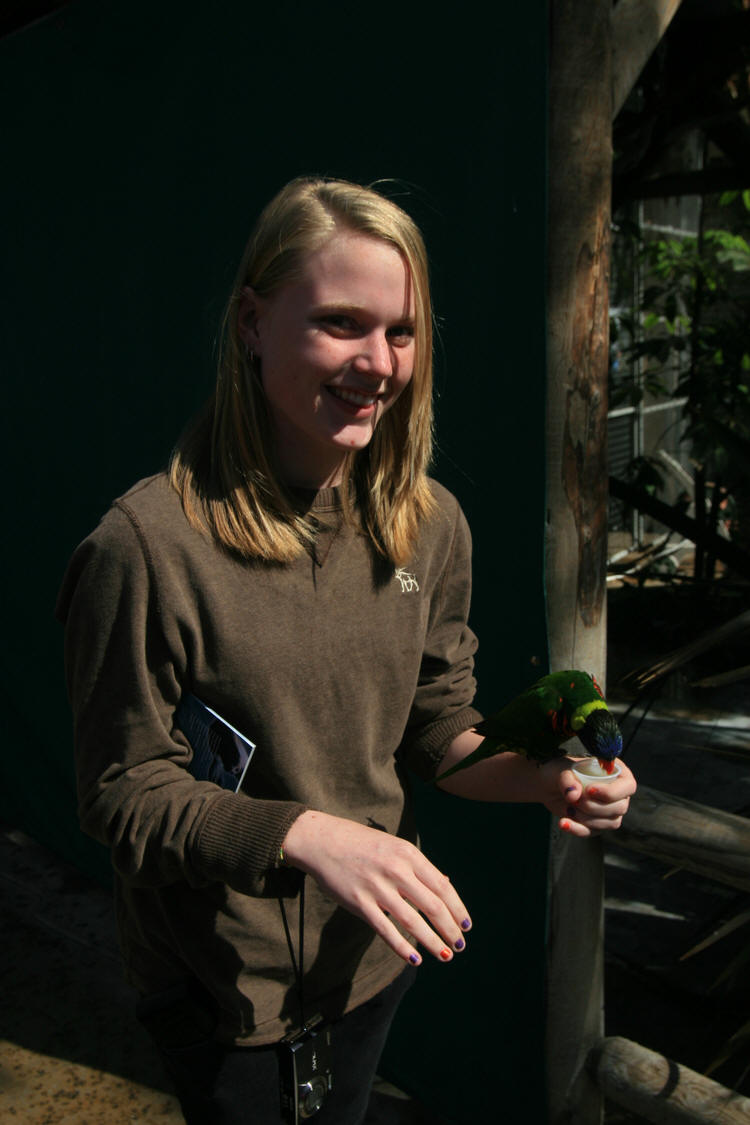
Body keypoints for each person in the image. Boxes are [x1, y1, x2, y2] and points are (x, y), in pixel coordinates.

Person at [56, 176, 636, 1125]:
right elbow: (122, 794)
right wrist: (306, 834)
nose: (378, 361)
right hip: (228, 993)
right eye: (340, 323)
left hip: (373, 957)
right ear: (251, 322)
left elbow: (439, 727)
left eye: (401, 332)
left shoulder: (431, 524)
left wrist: (547, 778)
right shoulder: (145, 546)